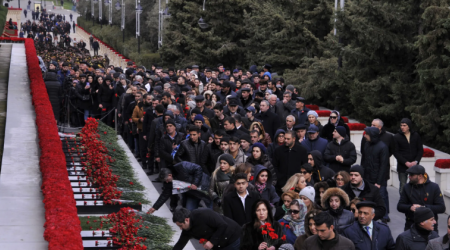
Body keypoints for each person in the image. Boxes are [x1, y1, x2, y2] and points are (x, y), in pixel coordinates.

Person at [361, 118, 396, 222]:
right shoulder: (367, 143)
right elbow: (364, 158)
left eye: (367, 133)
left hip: (378, 178)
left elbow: (383, 165)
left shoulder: (383, 146)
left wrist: (379, 182)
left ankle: (384, 215)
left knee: (382, 196)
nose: (365, 135)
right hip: (367, 176)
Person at [397, 165, 445, 232]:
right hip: (411, 225)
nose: (409, 176)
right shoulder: (407, 187)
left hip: (430, 226)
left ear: (420, 176)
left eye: (412, 175)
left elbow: (441, 208)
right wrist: (410, 208)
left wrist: (424, 207)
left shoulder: (434, 187)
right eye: (409, 174)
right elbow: (400, 206)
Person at [172, 208, 242, 250]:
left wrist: (212, 242)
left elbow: (223, 225)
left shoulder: (203, 214)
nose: (181, 229)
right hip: (218, 244)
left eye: (180, 226)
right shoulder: (187, 229)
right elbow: (180, 244)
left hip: (232, 237)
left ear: (187, 220)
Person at [394, 118, 424, 193]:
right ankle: (403, 203)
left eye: (404, 125)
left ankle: (414, 202)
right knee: (403, 186)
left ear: (409, 126)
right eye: (401, 125)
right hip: (402, 166)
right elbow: (396, 152)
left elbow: (420, 150)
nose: (402, 127)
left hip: (415, 166)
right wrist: (405, 162)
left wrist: (416, 161)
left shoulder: (416, 135)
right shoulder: (397, 137)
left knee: (415, 185)